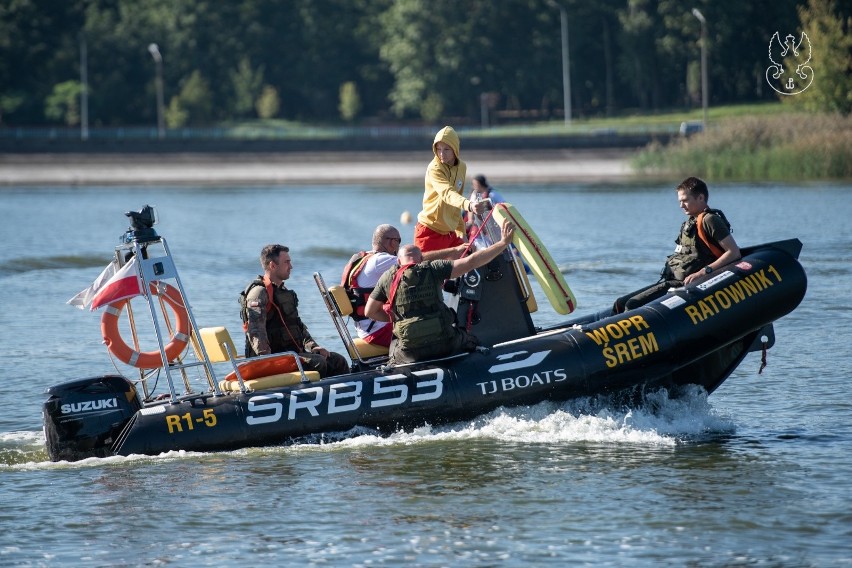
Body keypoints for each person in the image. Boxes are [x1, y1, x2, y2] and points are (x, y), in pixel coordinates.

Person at [365, 220, 516, 365]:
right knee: (469, 338)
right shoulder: (433, 268)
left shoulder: (387, 277)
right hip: (445, 344)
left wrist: (397, 317)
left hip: (411, 352)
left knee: (394, 346)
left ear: (398, 262)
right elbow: (472, 261)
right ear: (421, 259)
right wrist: (503, 243)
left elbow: (370, 311)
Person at [613, 177, 741, 313]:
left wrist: (703, 272)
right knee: (620, 303)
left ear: (701, 198)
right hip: (673, 281)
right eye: (680, 201)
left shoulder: (710, 220)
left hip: (688, 283)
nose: (681, 205)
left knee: (632, 306)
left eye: (685, 200)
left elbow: (734, 252)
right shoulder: (691, 221)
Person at [240, 244, 350, 377]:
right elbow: (256, 332)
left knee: (337, 361)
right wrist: (267, 360)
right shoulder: (259, 293)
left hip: (290, 355)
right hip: (273, 358)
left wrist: (313, 347)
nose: (291, 267)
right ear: (272, 265)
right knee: (318, 363)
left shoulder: (284, 293)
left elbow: (297, 326)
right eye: (286, 262)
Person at [414, 126, 488, 259]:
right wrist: (470, 205)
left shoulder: (462, 167)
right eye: (439, 149)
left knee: (469, 262)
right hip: (429, 230)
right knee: (425, 275)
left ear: (455, 149)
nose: (442, 154)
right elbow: (447, 194)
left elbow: (456, 200)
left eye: (447, 149)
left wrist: (461, 232)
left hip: (450, 232)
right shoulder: (434, 168)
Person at [341, 224, 402, 348]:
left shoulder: (363, 258)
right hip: (378, 332)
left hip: (365, 329)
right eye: (398, 241)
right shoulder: (380, 260)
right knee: (426, 329)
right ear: (391, 242)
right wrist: (450, 255)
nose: (399, 245)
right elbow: (414, 261)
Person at [465, 173, 506, 243]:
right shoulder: (474, 194)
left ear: (480, 184)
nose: (473, 186)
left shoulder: (492, 194)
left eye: (475, 184)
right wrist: (470, 220)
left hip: (491, 222)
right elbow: (470, 208)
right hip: (478, 223)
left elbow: (503, 205)